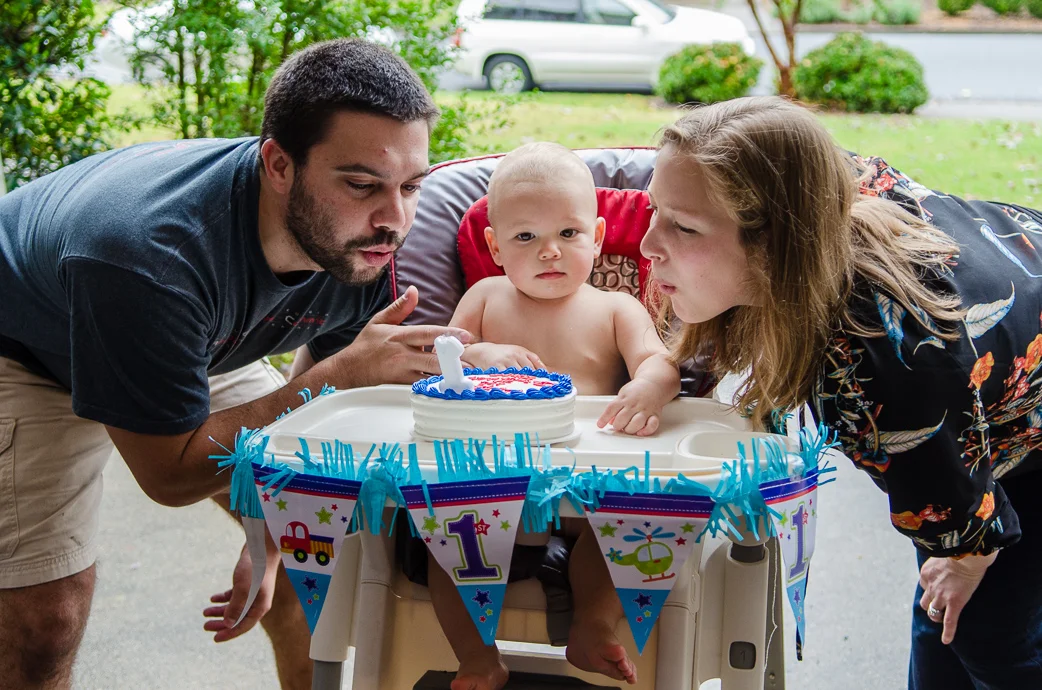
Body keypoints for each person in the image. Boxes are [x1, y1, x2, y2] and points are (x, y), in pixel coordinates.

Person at [0, 39, 469, 690]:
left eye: (412, 186)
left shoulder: (365, 243)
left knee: (312, 557)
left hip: (202, 338)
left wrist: (274, 532)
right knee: (45, 619)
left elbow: (319, 412)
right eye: (362, 185)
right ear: (278, 164)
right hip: (29, 346)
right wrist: (337, 378)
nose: (395, 220)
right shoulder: (148, 255)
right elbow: (171, 475)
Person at [641, 95, 1042, 689]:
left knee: (991, 634)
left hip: (1006, 411)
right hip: (978, 397)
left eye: (683, 226)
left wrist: (963, 555)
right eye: (655, 209)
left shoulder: (872, 362)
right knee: (941, 616)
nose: (647, 243)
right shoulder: (812, 188)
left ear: (773, 244)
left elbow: (958, 514)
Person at [416, 142, 680, 690]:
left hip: (588, 478)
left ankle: (592, 626)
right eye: (525, 237)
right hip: (492, 477)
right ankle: (477, 657)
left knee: (621, 536)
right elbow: (442, 358)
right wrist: (480, 353)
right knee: (448, 551)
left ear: (598, 237)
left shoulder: (616, 308)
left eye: (568, 233)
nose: (549, 252)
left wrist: (648, 388)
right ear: (494, 246)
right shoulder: (485, 297)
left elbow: (659, 363)